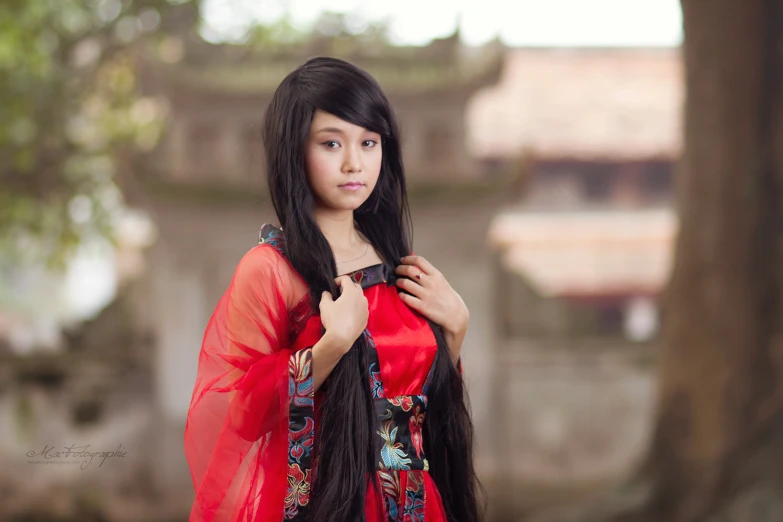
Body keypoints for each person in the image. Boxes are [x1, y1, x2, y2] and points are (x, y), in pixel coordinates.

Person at [183, 56, 484, 522]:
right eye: (330, 143)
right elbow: (238, 413)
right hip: (330, 504)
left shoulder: (395, 262)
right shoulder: (271, 269)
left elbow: (422, 406)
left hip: (417, 504)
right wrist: (332, 345)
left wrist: (456, 331)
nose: (353, 163)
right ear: (293, 151)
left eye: (368, 142)